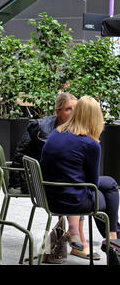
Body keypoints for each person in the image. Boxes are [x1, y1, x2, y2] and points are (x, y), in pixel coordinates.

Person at [10, 93, 98, 259]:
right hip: (40, 183)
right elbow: (20, 154)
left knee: (81, 185)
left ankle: (77, 239)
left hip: (56, 184)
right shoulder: (41, 127)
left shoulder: (74, 133)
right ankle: (81, 240)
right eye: (68, 109)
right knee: (82, 188)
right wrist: (15, 182)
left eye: (75, 109)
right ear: (57, 111)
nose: (73, 113)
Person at [40, 96, 120, 264]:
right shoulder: (90, 144)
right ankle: (113, 237)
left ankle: (111, 236)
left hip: (49, 195)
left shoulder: (56, 133)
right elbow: (93, 183)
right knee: (108, 192)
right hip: (71, 201)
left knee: (111, 184)